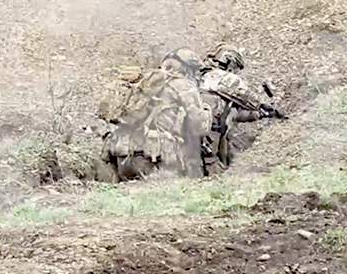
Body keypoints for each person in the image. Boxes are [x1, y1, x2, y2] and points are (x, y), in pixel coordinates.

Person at [102, 48, 212, 181]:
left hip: (122, 154)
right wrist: (206, 110)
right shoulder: (184, 86)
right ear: (188, 69)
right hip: (156, 158)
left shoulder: (145, 81)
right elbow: (200, 127)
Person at [199, 44, 284, 176]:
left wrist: (258, 115)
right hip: (205, 130)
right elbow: (250, 100)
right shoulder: (223, 78)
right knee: (211, 163)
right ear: (230, 62)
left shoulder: (198, 74)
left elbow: (233, 113)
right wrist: (265, 108)